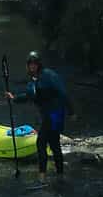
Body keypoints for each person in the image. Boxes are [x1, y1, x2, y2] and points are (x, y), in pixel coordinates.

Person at [6, 51, 71, 185]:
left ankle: (42, 177)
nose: (32, 66)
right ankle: (60, 175)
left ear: (39, 64)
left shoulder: (49, 75)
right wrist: (14, 98)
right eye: (30, 64)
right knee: (54, 144)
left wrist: (71, 111)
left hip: (55, 114)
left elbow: (63, 93)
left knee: (41, 143)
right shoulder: (33, 79)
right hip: (47, 115)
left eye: (34, 64)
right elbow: (30, 96)